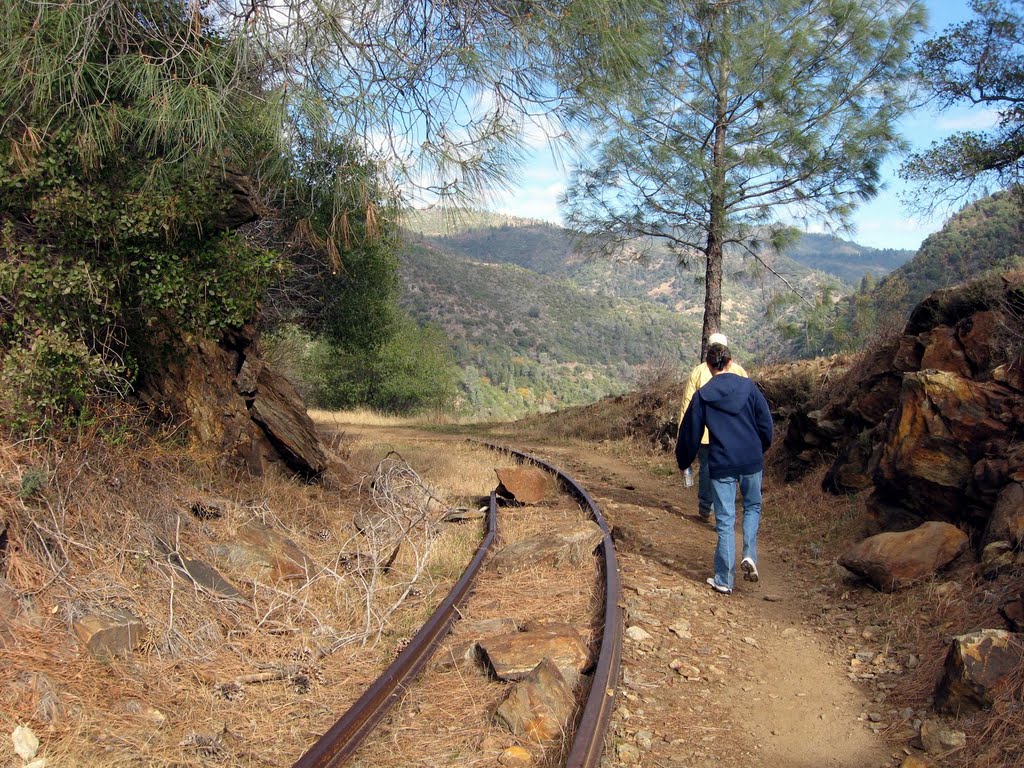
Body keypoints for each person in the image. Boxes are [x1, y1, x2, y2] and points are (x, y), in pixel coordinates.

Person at [676, 343, 773, 594]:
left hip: (721, 462)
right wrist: (760, 448)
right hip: (751, 458)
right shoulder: (748, 387)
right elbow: (766, 423)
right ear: (730, 362)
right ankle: (749, 553)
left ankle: (724, 580)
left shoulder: (703, 396)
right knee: (752, 506)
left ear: (709, 366)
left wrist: (684, 461)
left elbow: (690, 434)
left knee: (726, 520)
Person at [677, 332, 748, 522]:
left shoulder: (699, 372)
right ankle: (723, 510)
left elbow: (687, 406)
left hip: (705, 433)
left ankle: (706, 507)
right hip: (733, 433)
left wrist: (682, 437)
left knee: (708, 470)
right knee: (729, 472)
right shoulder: (739, 371)